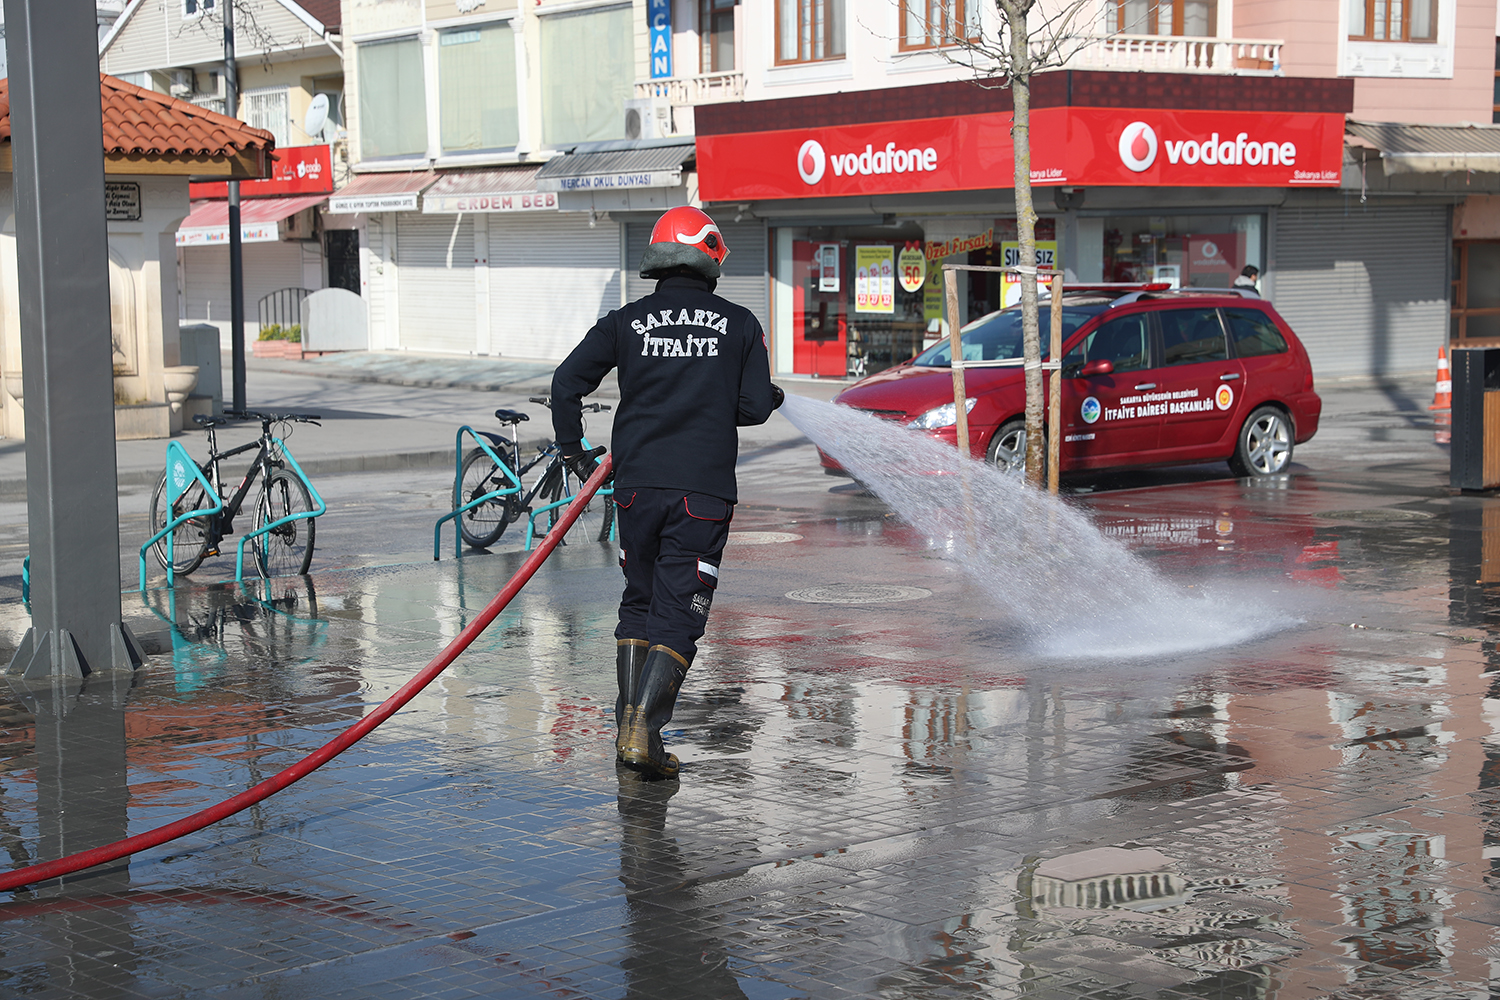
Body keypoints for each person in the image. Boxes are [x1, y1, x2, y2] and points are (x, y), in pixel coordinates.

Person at [551, 206, 783, 779]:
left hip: (635, 488)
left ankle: (629, 723)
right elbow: (753, 407)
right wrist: (761, 395)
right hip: (699, 494)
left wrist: (575, 452)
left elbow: (566, 381)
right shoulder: (740, 323)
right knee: (681, 611)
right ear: (709, 256)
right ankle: (644, 735)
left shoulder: (626, 321)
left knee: (640, 601)